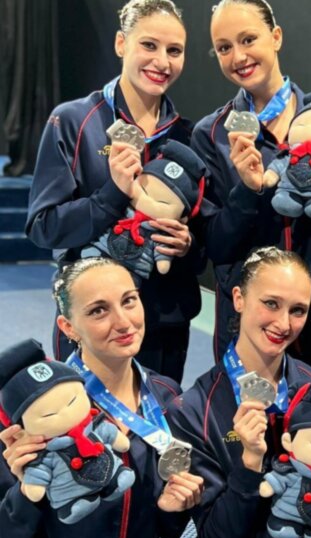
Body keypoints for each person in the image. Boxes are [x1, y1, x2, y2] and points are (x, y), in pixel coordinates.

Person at [0, 256, 203, 538]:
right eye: (98, 311)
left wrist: (175, 509)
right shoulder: (36, 412)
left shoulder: (168, 396)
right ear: (68, 327)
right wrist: (23, 496)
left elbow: (163, 531)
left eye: (129, 300)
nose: (123, 322)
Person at [25, 0, 200, 383]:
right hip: (93, 324)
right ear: (121, 43)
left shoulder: (189, 136)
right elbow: (43, 227)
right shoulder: (73, 120)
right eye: (149, 45)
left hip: (165, 317)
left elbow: (204, 232)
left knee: (157, 431)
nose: (162, 62)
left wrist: (188, 244)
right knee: (90, 437)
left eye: (174, 50)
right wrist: (112, 195)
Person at [166, 247, 311, 538]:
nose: (284, 324)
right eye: (271, 303)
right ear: (238, 298)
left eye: (297, 310)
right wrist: (249, 465)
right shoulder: (192, 410)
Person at [193, 0, 311, 379]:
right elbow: (215, 246)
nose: (238, 56)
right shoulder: (211, 134)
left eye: (248, 39)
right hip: (246, 314)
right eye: (224, 47)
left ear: (276, 36)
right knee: (244, 429)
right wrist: (249, 192)